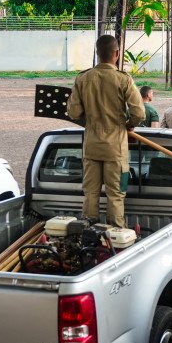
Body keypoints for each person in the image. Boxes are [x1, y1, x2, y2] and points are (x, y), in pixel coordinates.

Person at [67, 35, 144, 229]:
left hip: (91, 145)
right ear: (117, 54)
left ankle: (88, 231)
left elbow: (74, 112)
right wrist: (127, 124)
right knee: (116, 194)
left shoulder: (83, 78)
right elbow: (139, 113)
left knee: (90, 193)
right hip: (115, 148)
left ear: (97, 53)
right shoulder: (123, 79)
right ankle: (116, 233)